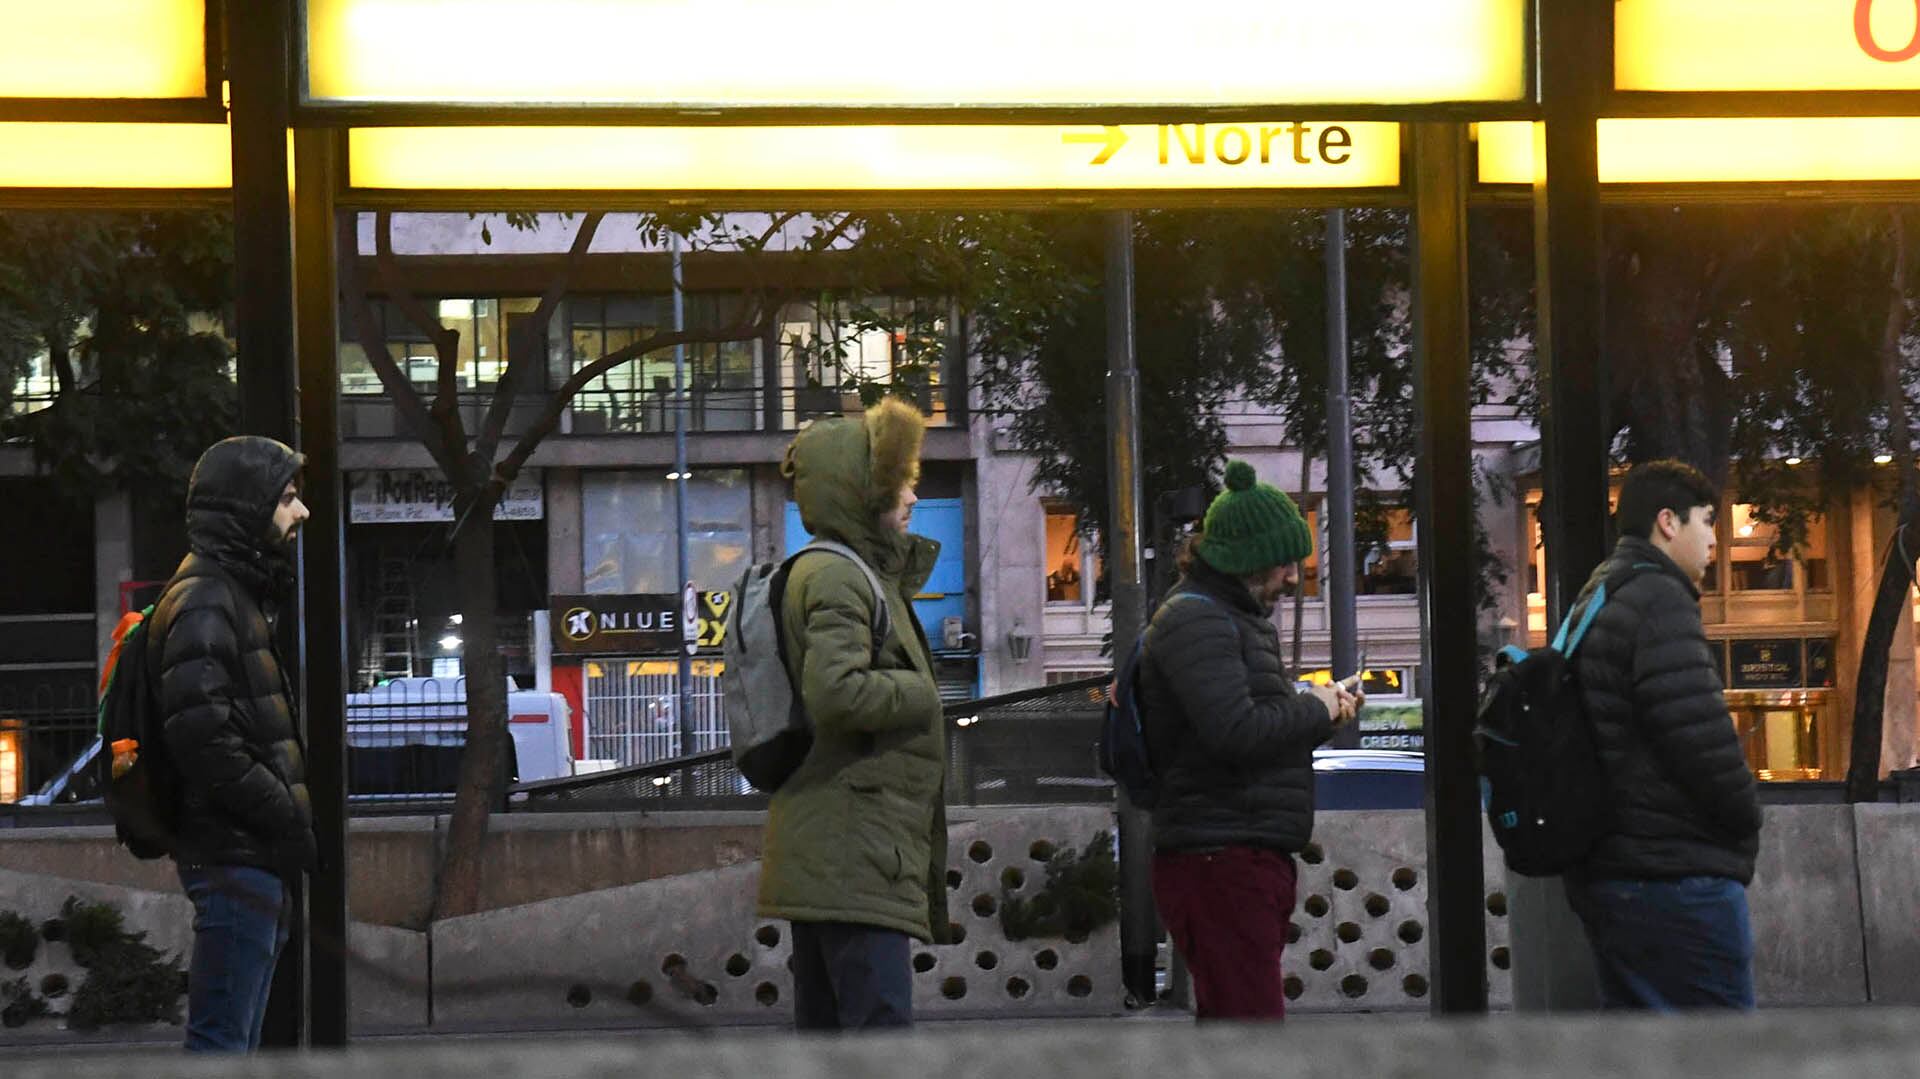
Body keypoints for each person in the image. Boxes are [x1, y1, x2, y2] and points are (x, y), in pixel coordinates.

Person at [1137, 459, 1358, 1020]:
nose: (1292, 576)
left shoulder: (1229, 619)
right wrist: (1315, 709)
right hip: (1221, 862)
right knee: (1251, 1039)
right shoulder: (1199, 622)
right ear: (1247, 560)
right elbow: (1234, 731)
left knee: (1235, 1038)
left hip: (1234, 857)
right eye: (1285, 562)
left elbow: (1246, 725)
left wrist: (1320, 711)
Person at [756, 397, 946, 1030]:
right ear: (861, 493)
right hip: (852, 849)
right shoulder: (838, 577)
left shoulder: (851, 572)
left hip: (843, 848)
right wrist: (923, 692)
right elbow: (836, 692)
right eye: (900, 486)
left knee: (835, 1037)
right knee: (876, 1034)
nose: (914, 498)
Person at [1565, 458, 1762, 1010]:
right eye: (1708, 521)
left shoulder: (1602, 591)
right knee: (1718, 1055)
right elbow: (1697, 735)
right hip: (1675, 875)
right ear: (1668, 522)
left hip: (1615, 870)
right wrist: (1746, 814)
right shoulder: (1659, 599)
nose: (1715, 541)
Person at [150, 436, 315, 1051]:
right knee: (221, 1047)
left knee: (232, 1045)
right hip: (236, 857)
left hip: (247, 857)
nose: (300, 513)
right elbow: (203, 736)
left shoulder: (227, 596)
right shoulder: (207, 601)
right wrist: (280, 809)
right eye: (288, 499)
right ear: (247, 508)